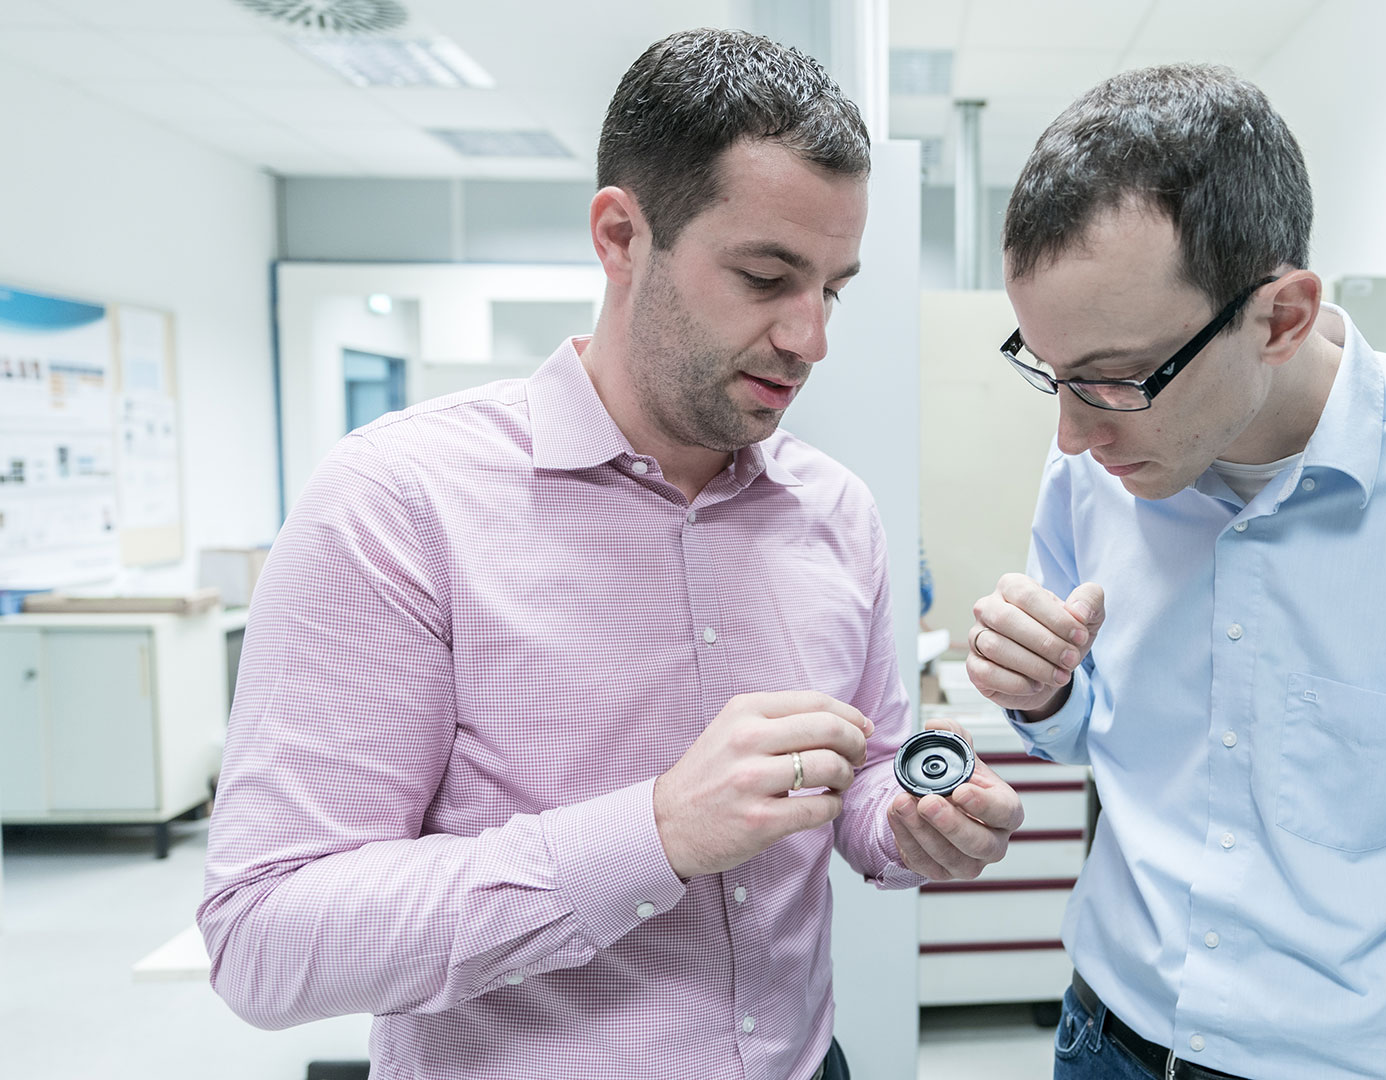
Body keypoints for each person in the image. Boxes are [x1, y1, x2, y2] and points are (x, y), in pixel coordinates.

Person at [199, 29, 1021, 1080]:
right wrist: (657, 833)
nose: (811, 337)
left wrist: (910, 823)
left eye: (834, 287)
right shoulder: (397, 505)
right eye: (767, 276)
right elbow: (265, 939)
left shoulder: (840, 515)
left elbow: (860, 776)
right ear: (622, 234)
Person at [965, 65, 1386, 1080]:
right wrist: (1049, 691)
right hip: (1107, 1040)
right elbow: (1088, 733)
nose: (1069, 432)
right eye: (1052, 372)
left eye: (1113, 379)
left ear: (1283, 315)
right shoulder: (1099, 461)